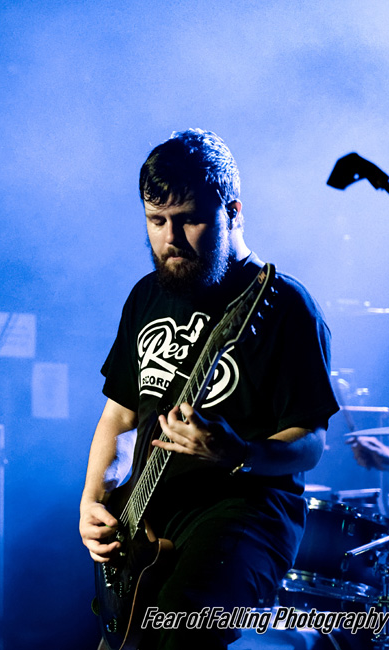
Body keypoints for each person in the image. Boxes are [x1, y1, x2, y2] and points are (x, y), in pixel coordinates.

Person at [78, 129, 338, 649]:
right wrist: (93, 500)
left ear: (233, 212)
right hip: (145, 518)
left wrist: (239, 453)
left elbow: (310, 442)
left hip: (245, 513)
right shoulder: (146, 296)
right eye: (156, 221)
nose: (170, 238)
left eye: (189, 219)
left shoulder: (286, 305)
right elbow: (119, 417)